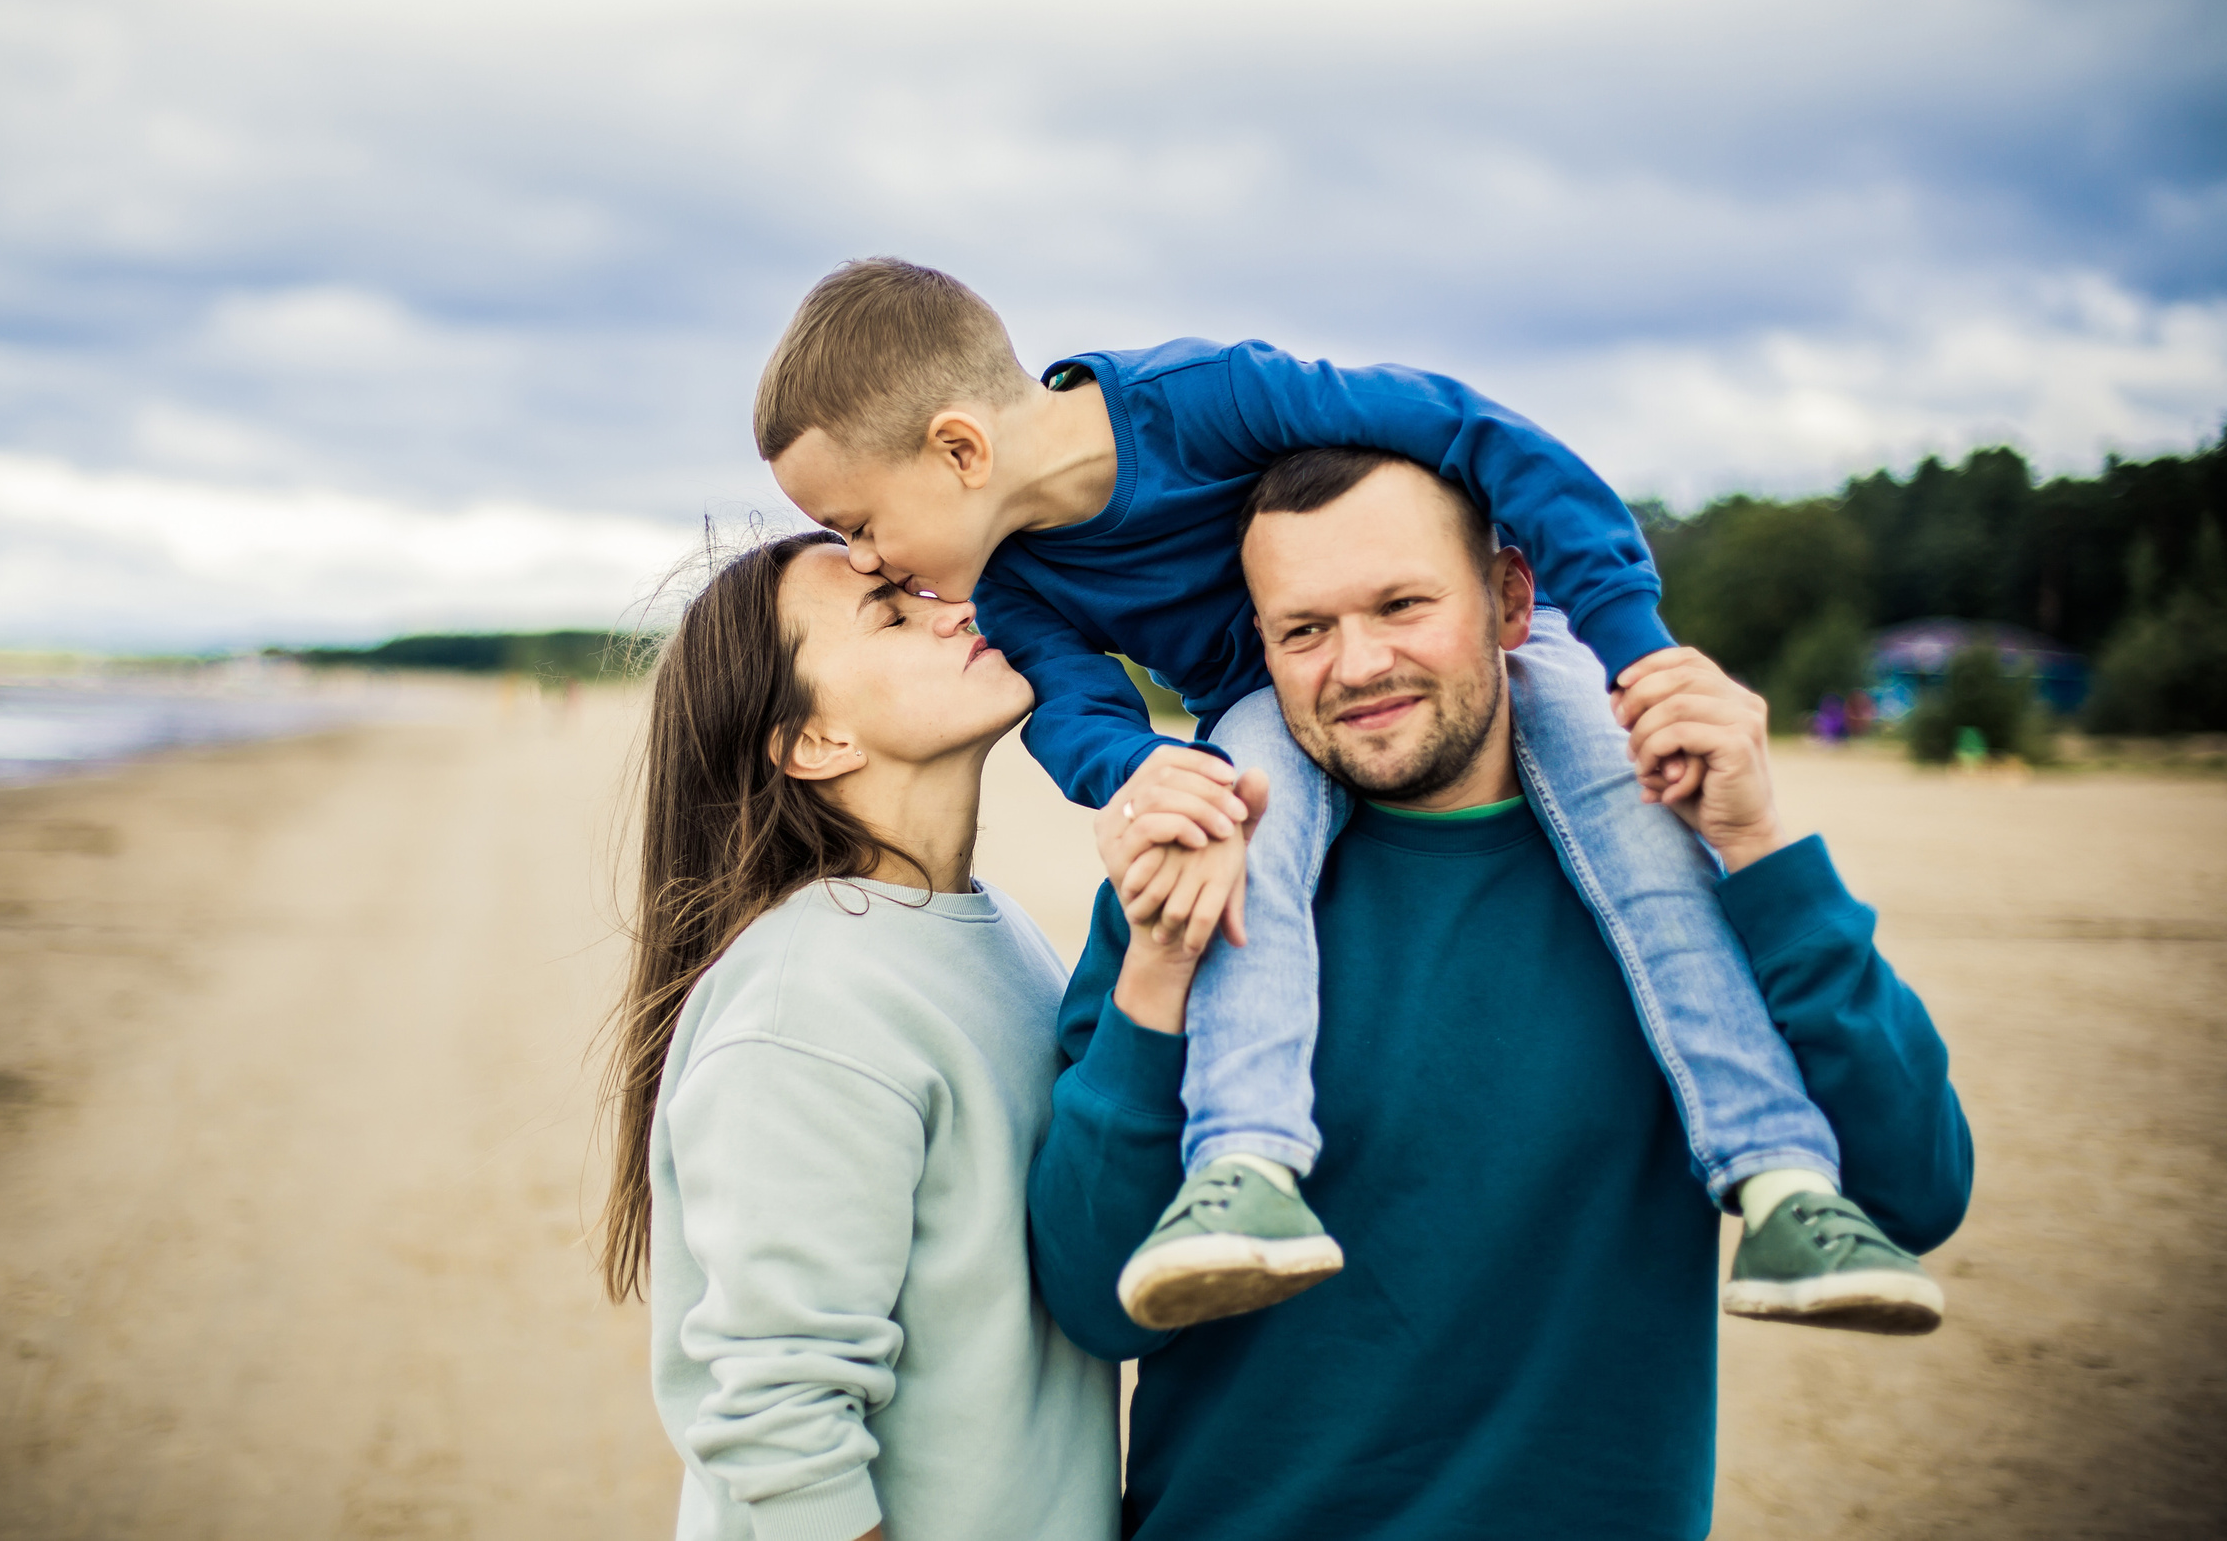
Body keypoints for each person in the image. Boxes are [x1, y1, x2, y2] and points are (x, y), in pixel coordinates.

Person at [757, 257, 1929, 1335]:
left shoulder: (1203, 398)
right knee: (1243, 825)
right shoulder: (1016, 583)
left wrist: (1635, 648)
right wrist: (1141, 771)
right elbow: (1072, 711)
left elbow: (1479, 437)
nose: (861, 558)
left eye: (857, 526)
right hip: (1258, 708)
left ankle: (1780, 1180)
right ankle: (1245, 1171)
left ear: (961, 449)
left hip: (1537, 651)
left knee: (1645, 827)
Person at [1027, 448, 1974, 1538]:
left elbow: (1916, 1191)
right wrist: (1158, 964)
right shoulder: (1199, 877)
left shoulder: (1682, 886)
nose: (1357, 663)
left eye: (1401, 605)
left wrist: (1761, 844)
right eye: (1305, 629)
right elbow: (1096, 1300)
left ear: (1512, 600)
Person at [596, 531, 1120, 1541]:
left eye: (927, 591)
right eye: (893, 615)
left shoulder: (984, 927)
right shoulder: (810, 1002)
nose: (959, 609)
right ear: (811, 742)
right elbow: (778, 1432)